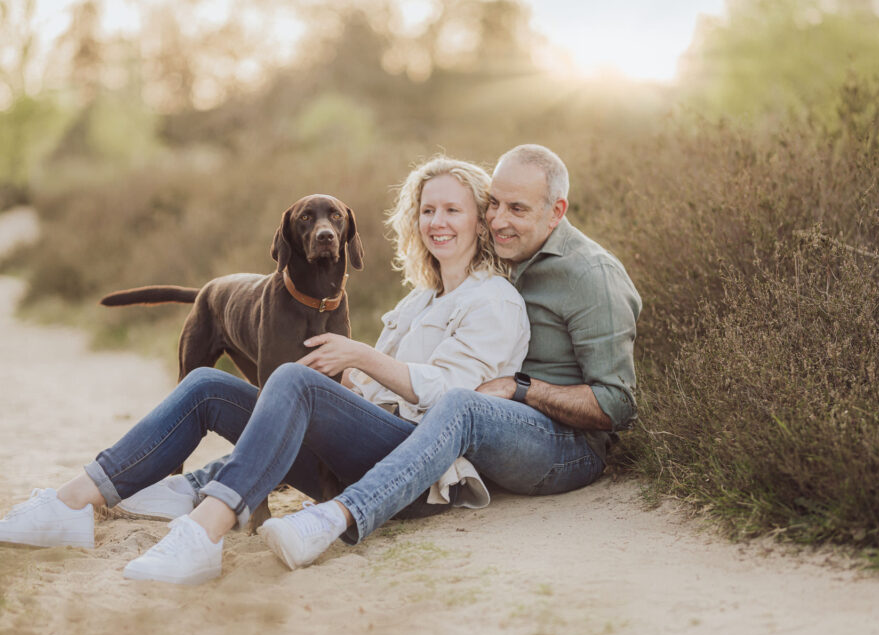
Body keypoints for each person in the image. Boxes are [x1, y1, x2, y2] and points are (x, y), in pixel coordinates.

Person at [0, 156, 530, 585]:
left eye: (453, 210)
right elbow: (368, 384)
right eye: (428, 210)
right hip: (355, 450)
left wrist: (357, 357)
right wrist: (353, 377)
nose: (437, 222)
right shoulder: (419, 300)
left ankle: (205, 531)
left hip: (409, 469)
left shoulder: (494, 300)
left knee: (287, 377)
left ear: (482, 223)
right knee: (207, 385)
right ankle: (71, 504)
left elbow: (456, 401)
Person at [249, 143, 642, 569]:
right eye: (493, 205)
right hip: (497, 432)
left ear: (556, 211)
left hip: (569, 445)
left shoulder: (590, 275)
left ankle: (335, 518)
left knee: (461, 402)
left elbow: (617, 405)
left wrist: (521, 388)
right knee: (237, 390)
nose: (498, 220)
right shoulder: (499, 259)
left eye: (517, 208)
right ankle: (204, 485)